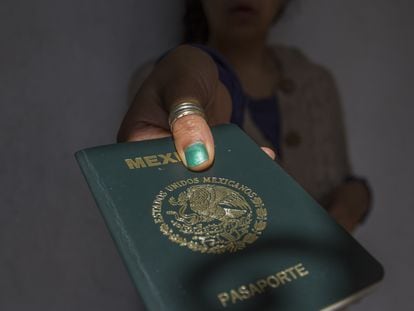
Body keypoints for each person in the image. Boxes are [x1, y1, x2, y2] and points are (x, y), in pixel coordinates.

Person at [118, 0, 370, 232]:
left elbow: (341, 180)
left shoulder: (315, 82)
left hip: (328, 274)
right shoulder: (161, 81)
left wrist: (354, 201)